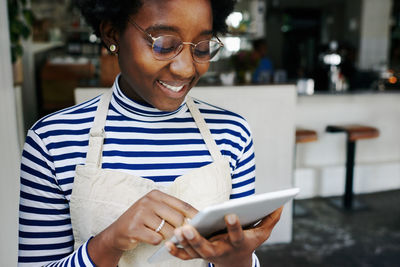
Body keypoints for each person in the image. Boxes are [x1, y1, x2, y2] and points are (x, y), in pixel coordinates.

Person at [18, 0, 283, 266]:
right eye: (164, 45)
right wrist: (109, 243)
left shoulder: (232, 134)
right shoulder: (52, 141)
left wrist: (239, 259)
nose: (186, 68)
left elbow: (234, 257)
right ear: (112, 34)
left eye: (202, 48)